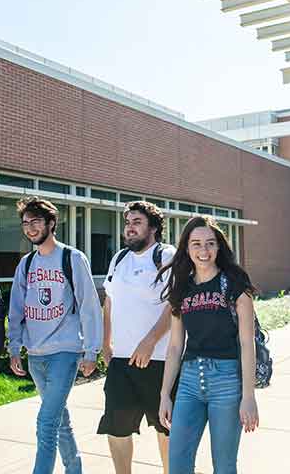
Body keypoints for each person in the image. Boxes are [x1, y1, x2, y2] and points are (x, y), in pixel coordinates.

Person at [157, 216, 260, 474]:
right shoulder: (182, 287)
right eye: (196, 244)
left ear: (219, 246)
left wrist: (249, 396)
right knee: (178, 464)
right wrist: (164, 394)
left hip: (226, 381)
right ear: (187, 248)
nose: (204, 251)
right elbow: (174, 347)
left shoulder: (235, 284)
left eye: (210, 243)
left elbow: (247, 343)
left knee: (224, 466)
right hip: (189, 382)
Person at [8, 196, 102, 474]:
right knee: (59, 419)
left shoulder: (71, 258)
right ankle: (75, 469)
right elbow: (16, 308)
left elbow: (89, 306)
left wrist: (91, 350)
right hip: (36, 354)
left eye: (35, 221)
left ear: (51, 223)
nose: (30, 228)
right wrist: (14, 346)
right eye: (25, 223)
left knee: (46, 423)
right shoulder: (26, 264)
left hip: (65, 351)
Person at [97, 201, 176, 474]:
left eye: (137, 222)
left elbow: (176, 303)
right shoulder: (119, 258)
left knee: (166, 428)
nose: (129, 228)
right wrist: (106, 342)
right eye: (127, 223)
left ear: (153, 228)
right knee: (116, 427)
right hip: (122, 361)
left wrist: (150, 340)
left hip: (160, 361)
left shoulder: (167, 256)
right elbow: (109, 302)